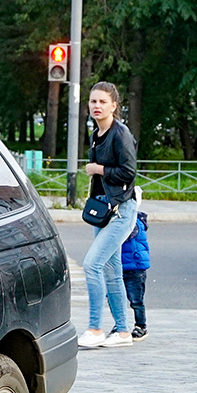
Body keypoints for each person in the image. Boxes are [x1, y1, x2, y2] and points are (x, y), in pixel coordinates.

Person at [77, 81, 139, 349]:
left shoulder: (120, 133)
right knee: (112, 271)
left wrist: (98, 169)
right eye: (93, 102)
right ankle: (124, 332)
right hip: (104, 210)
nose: (97, 106)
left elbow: (129, 172)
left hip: (121, 210)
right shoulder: (97, 133)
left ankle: (95, 328)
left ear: (114, 105)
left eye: (103, 102)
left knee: (92, 265)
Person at [121, 210, 150, 341]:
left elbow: (124, 235)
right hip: (123, 266)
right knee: (117, 298)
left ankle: (141, 326)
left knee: (136, 301)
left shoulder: (134, 222)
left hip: (135, 267)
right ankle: (120, 326)